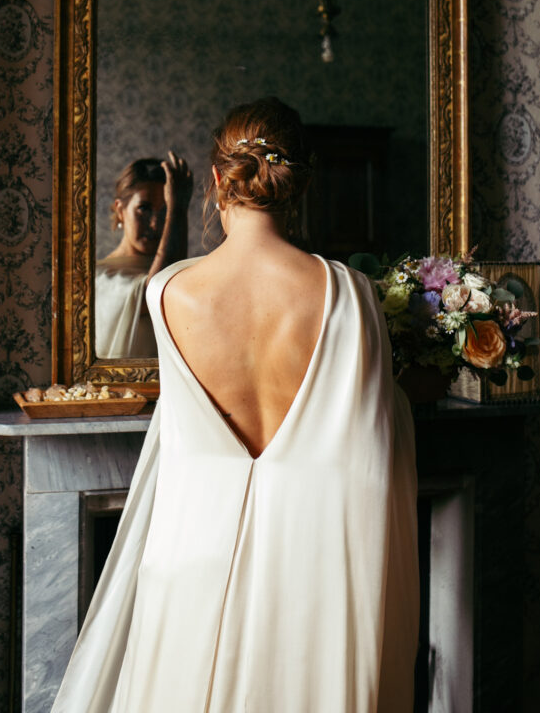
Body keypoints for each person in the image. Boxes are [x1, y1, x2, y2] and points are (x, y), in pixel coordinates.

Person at [52, 97, 419, 713]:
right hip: (312, 571)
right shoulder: (347, 293)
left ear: (219, 179)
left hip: (191, 554)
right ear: (297, 183)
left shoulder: (167, 291)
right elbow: (379, 447)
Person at [95, 152, 193, 359]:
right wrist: (177, 210)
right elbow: (156, 292)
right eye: (144, 209)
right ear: (120, 210)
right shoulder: (100, 277)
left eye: (165, 211)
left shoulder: (185, 272)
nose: (155, 224)